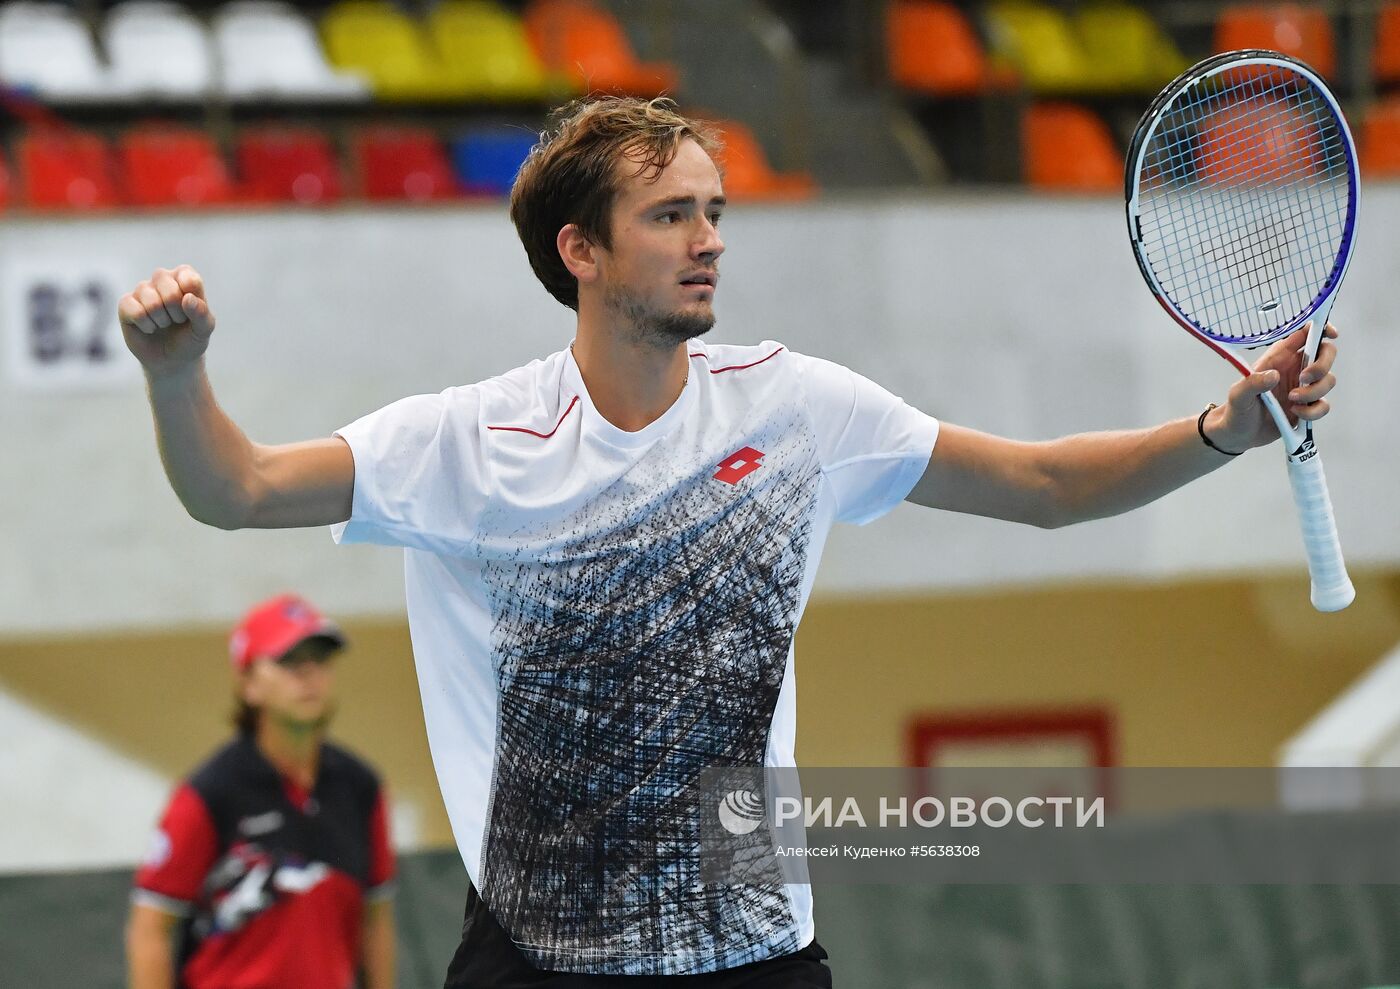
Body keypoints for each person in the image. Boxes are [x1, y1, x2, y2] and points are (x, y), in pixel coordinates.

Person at [119, 97, 1339, 986]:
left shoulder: (791, 406)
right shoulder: (467, 441)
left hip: (750, 957)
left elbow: (1039, 484)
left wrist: (1220, 427)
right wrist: (178, 377)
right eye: (668, 214)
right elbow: (235, 487)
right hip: (540, 960)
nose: (707, 238)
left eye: (713, 209)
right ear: (580, 251)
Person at [126, 594, 396, 989]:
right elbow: (151, 929)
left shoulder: (361, 787)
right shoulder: (209, 794)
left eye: (320, 660)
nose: (309, 675)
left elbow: (376, 920)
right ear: (249, 683)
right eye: (289, 661)